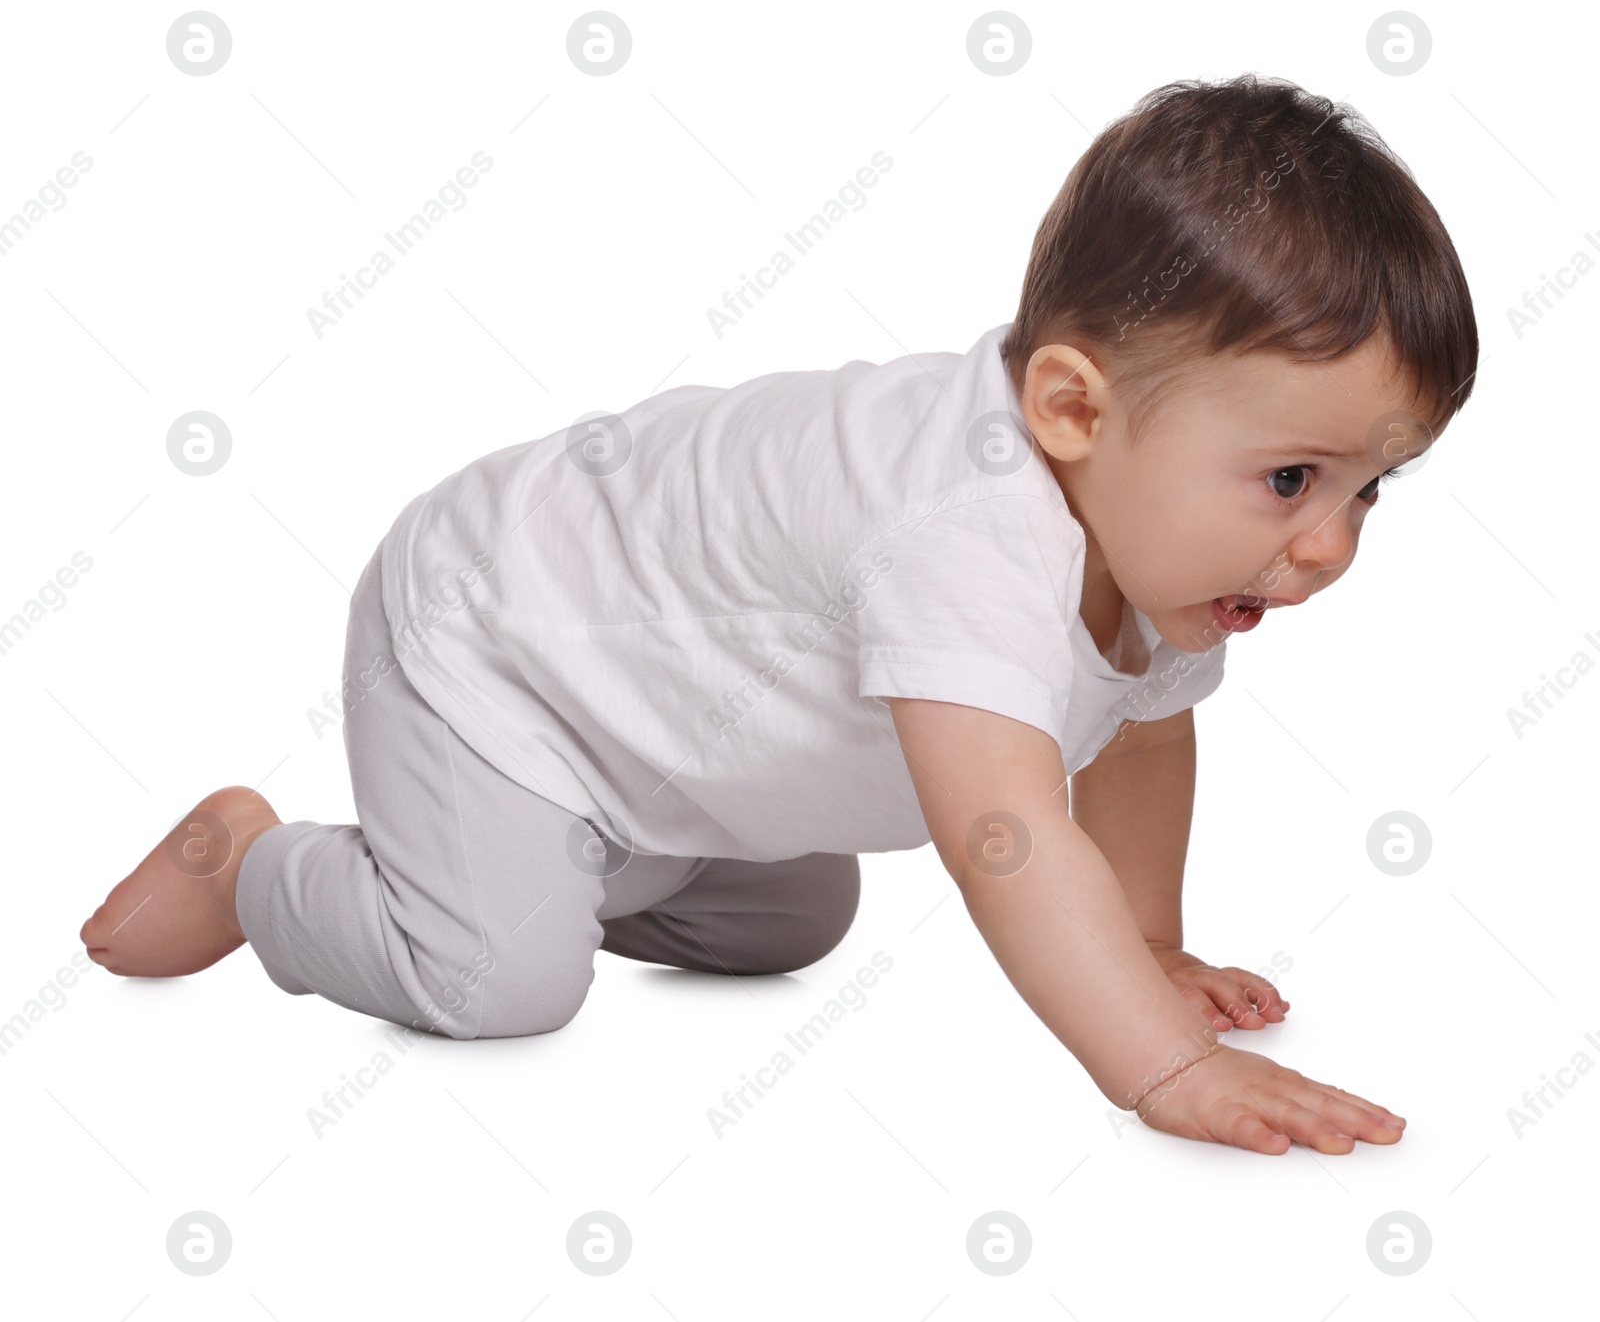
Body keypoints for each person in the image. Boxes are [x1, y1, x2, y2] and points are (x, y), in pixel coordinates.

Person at [81, 73, 1475, 1155]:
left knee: (795, 916)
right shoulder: (963, 532)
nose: (1330, 545)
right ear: (1069, 407)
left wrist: (1155, 952)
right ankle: (253, 870)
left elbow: (1140, 745)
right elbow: (1007, 834)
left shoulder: (1156, 536)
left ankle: (576, 860)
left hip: (658, 732)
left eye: (1371, 491)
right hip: (494, 640)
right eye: (1293, 479)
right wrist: (1157, 1062)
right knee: (499, 983)